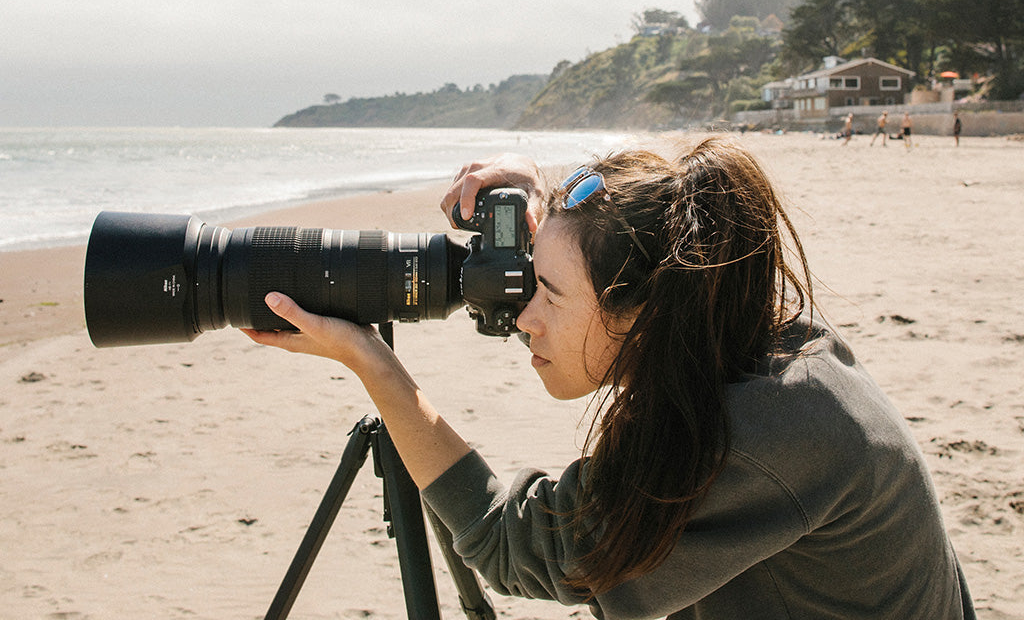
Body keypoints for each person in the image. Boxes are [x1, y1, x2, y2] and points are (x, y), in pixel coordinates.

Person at [243, 136, 974, 620]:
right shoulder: (750, 337)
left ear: (647, 314)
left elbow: (508, 542)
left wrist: (373, 363)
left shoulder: (757, 436)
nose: (524, 318)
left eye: (549, 296)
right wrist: (547, 199)